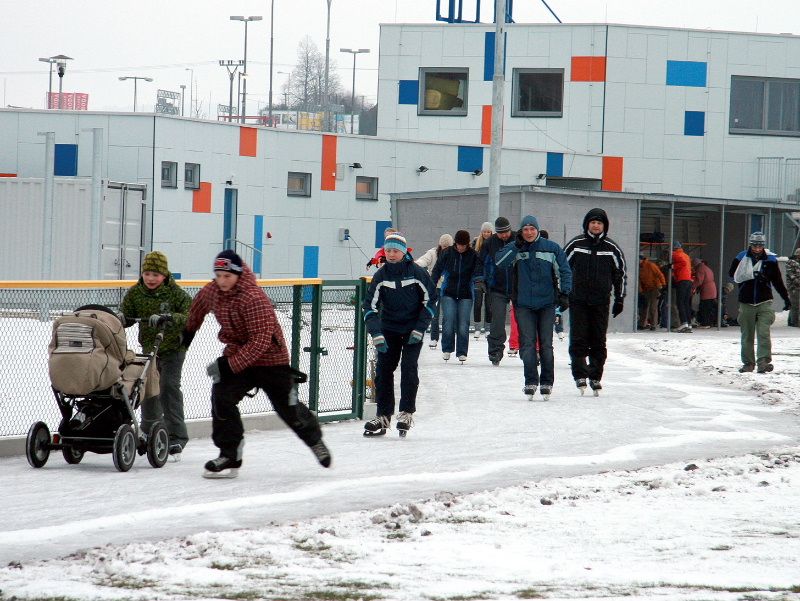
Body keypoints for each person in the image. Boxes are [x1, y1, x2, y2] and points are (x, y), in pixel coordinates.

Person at [185, 250, 331, 478]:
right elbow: (197, 308)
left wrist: (228, 366)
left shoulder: (253, 297)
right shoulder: (212, 291)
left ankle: (315, 441)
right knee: (221, 396)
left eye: (227, 276)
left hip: (271, 360)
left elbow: (260, 341)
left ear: (237, 274)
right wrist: (186, 335)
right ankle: (230, 453)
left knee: (289, 408)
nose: (222, 281)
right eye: (218, 275)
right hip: (237, 354)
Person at [362, 232, 437, 437]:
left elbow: (431, 300)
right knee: (384, 371)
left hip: (413, 330)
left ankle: (405, 413)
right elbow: (369, 306)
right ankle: (383, 415)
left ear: (403, 252)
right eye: (388, 251)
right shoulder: (381, 276)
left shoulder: (416, 272)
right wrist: (376, 332)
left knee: (409, 369)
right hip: (389, 330)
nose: (391, 254)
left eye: (395, 250)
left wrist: (420, 328)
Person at [121, 251, 192, 459]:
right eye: (148, 274)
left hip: (172, 349)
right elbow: (127, 314)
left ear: (164, 275)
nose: (151, 279)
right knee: (148, 389)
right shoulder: (136, 293)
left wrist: (168, 317)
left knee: (168, 388)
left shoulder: (175, 293)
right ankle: (148, 430)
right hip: (149, 350)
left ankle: (177, 436)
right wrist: (122, 318)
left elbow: (190, 314)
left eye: (156, 275)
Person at [495, 215, 572, 400]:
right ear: (521, 232)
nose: (529, 232)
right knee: (527, 345)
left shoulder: (551, 248)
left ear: (537, 230)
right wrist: (515, 245)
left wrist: (565, 293)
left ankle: (547, 382)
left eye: (532, 229)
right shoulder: (516, 248)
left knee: (546, 344)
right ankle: (530, 381)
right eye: (525, 229)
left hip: (546, 304)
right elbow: (499, 262)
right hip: (523, 305)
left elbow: (565, 270)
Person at [563, 208, 627, 395]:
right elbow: (563, 269)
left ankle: (595, 376)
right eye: (593, 222)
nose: (596, 225)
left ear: (604, 226)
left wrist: (619, 298)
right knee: (578, 338)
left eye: (599, 223)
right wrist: (563, 293)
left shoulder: (612, 248)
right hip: (578, 300)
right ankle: (580, 375)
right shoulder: (576, 244)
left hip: (601, 301)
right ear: (587, 224)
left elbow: (620, 275)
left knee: (598, 340)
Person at [728, 232, 791, 373]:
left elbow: (778, 282)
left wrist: (786, 298)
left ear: (763, 246)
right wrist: (748, 275)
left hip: (764, 301)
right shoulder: (741, 257)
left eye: (760, 245)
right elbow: (732, 273)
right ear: (750, 244)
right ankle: (748, 364)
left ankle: (763, 362)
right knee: (747, 335)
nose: (757, 248)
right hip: (746, 302)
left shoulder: (770, 260)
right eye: (754, 245)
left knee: (763, 332)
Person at [431, 229, 484, 363]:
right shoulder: (447, 253)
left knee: (463, 323)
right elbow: (437, 269)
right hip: (448, 292)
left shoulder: (473, 255)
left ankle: (461, 352)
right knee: (448, 320)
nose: (461, 247)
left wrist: (479, 281)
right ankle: (447, 348)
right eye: (459, 244)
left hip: (466, 294)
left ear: (467, 244)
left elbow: (479, 270)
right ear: (455, 243)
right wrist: (432, 284)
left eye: (464, 245)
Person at [484, 216, 517, 364]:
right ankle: (495, 351)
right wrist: (480, 279)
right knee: (497, 321)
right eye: (501, 233)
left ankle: (531, 350)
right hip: (497, 287)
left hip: (518, 287)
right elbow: (481, 262)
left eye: (506, 232)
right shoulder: (490, 243)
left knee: (525, 320)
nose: (504, 235)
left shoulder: (519, 239)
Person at [415, 233, 453, 348]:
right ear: (440, 245)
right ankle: (434, 338)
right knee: (434, 314)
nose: (445, 249)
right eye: (443, 247)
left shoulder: (454, 255)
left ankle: (447, 340)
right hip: (435, 287)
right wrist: (415, 265)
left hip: (448, 288)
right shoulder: (432, 253)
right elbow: (422, 261)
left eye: (448, 247)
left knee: (448, 315)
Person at [471, 222, 493, 338]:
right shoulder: (475, 243)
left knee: (489, 305)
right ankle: (477, 328)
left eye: (488, 231)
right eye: (484, 231)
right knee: (478, 303)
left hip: (491, 278)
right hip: (478, 277)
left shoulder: (494, 243)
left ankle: (488, 327)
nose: (486, 233)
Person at [639, 255, 666, 331]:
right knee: (645, 307)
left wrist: (663, 285)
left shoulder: (650, 265)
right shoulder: (639, 267)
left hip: (655, 288)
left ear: (642, 260)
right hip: (647, 289)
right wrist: (641, 291)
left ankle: (653, 325)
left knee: (653, 307)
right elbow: (639, 281)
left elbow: (659, 274)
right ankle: (643, 324)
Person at [672, 241, 693, 333]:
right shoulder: (686, 255)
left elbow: (683, 263)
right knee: (686, 303)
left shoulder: (676, 254)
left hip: (682, 280)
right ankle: (688, 323)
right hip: (688, 280)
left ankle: (684, 323)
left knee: (680, 302)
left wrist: (672, 266)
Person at [691, 257, 717, 328]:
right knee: (709, 307)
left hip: (707, 291)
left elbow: (699, 281)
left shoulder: (700, 269)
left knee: (704, 307)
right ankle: (709, 323)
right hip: (712, 290)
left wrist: (692, 287)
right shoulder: (706, 268)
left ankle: (705, 323)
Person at [787, 247, 800, 328]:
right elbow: (792, 276)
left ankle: (791, 321)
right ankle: (794, 322)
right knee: (795, 305)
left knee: (794, 304)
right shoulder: (791, 263)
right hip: (793, 287)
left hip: (797, 287)